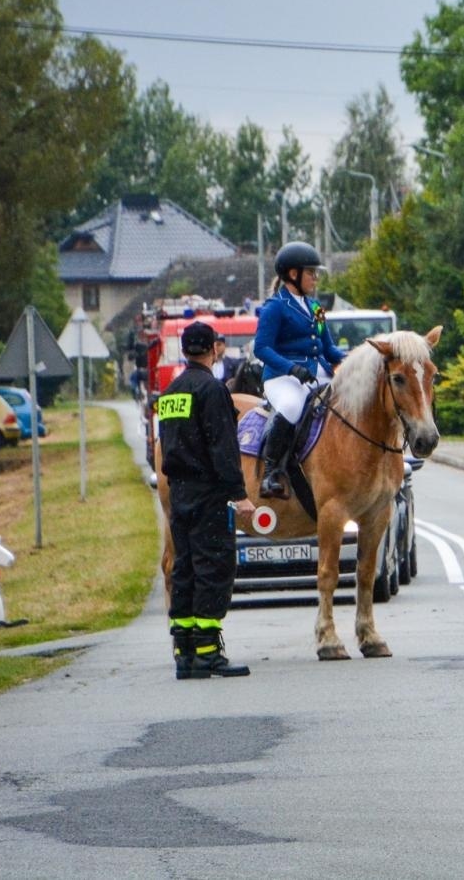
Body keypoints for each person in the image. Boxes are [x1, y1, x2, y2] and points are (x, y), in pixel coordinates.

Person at [157, 320, 254, 679]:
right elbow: (223, 448)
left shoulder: (170, 393)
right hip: (209, 495)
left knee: (185, 569)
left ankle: (184, 652)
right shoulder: (213, 390)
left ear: (184, 351)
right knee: (214, 569)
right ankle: (209, 653)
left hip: (179, 492)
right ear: (214, 349)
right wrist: (239, 496)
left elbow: (167, 444)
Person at [252, 242, 346, 500]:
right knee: (292, 406)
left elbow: (328, 348)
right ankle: (272, 473)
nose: (316, 278)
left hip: (317, 372)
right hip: (282, 377)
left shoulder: (315, 307)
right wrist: (291, 368)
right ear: (293, 274)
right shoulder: (275, 307)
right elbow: (261, 348)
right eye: (311, 272)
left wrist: (355, 358)